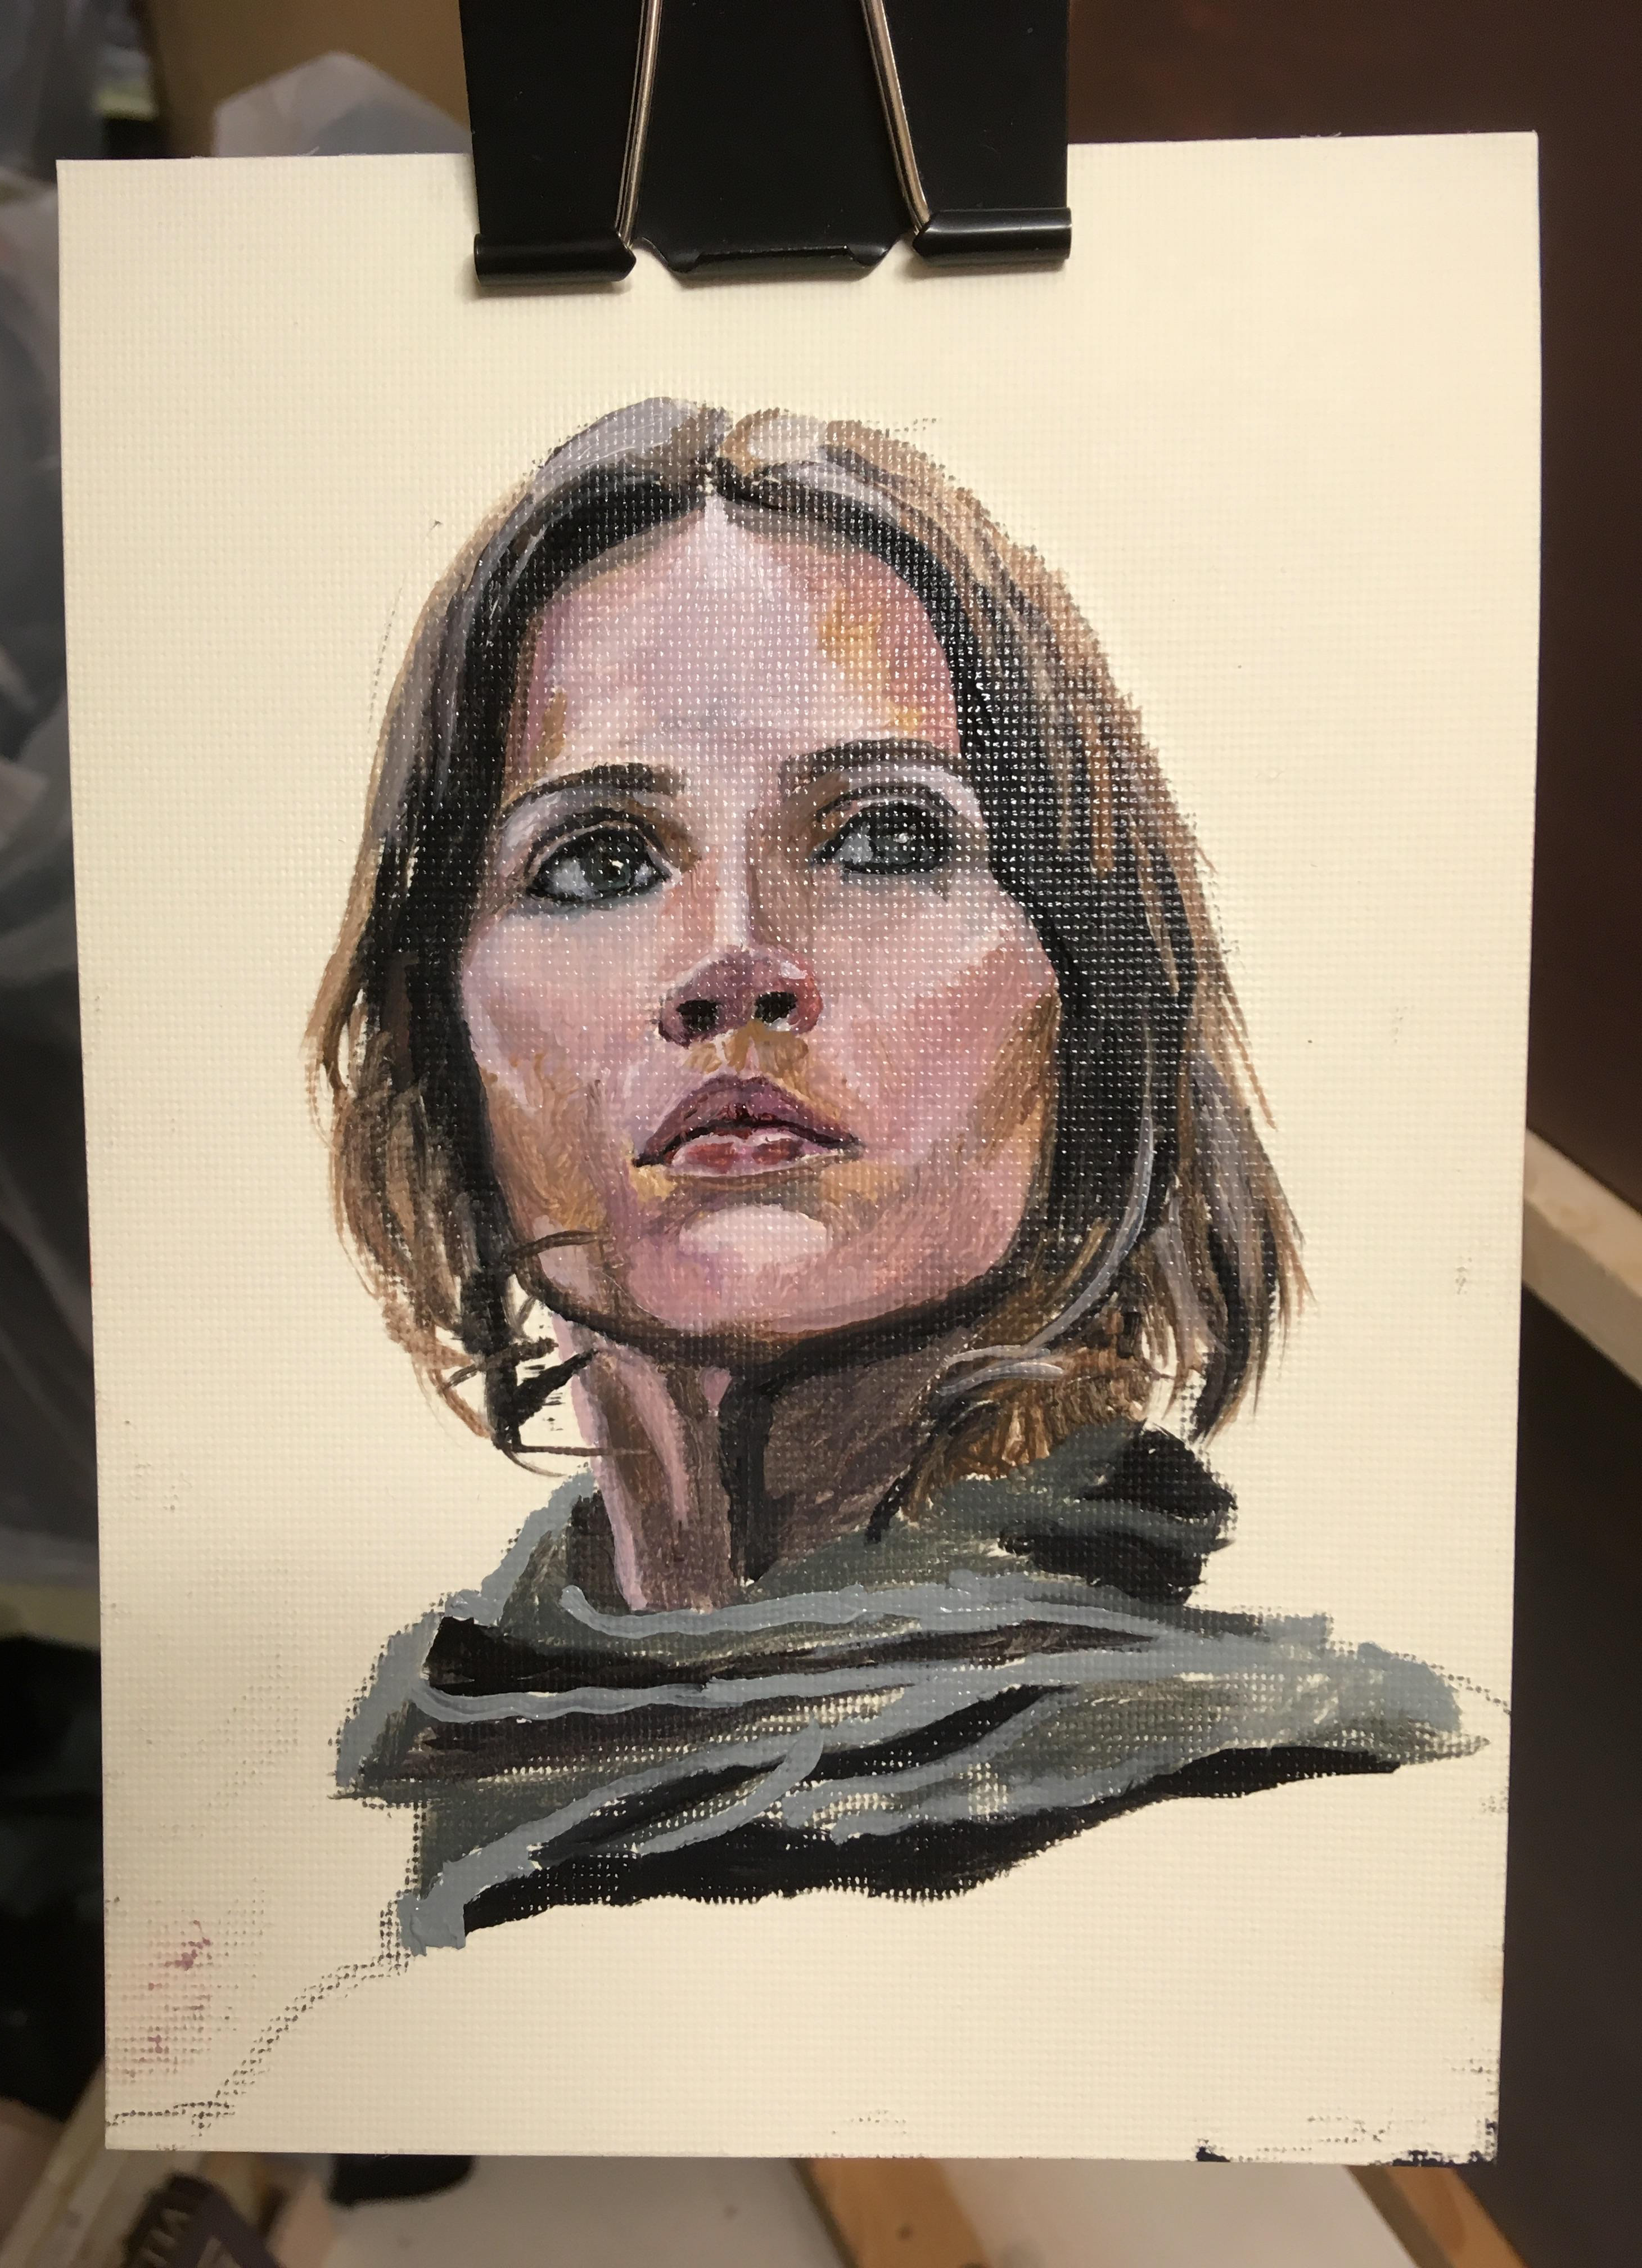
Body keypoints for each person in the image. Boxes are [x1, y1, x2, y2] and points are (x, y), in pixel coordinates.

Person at [310, 400, 1466, 1948]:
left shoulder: (1302, 1791)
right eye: (598, 861)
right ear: (437, 1029)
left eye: (883, 840)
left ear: (1089, 991)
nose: (735, 962)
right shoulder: (379, 1805)